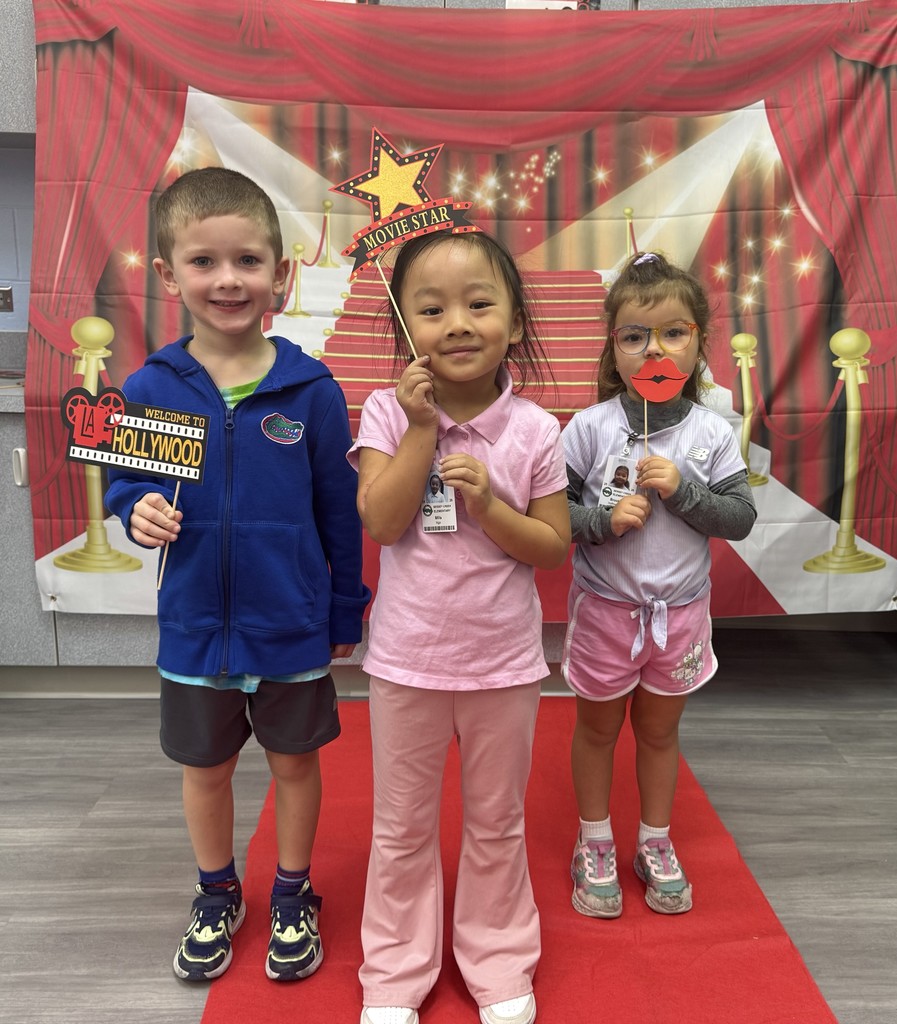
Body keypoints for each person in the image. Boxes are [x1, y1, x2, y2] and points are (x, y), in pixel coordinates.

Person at [105, 167, 370, 983]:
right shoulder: (151, 386)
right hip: (193, 626)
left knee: (295, 764)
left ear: (281, 274)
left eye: (249, 260)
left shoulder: (312, 390)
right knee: (206, 770)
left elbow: (341, 515)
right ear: (167, 274)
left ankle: (293, 892)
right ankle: (217, 891)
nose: (228, 279)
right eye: (205, 261)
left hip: (288, 623)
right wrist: (135, 505)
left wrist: (342, 615)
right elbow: (127, 485)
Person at [349, 231, 570, 1024]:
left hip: (504, 666)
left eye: (480, 304)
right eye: (432, 309)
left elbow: (550, 548)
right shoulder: (384, 410)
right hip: (406, 662)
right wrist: (420, 429)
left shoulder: (538, 431)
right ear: (405, 328)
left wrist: (488, 506)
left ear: (514, 322)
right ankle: (395, 975)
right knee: (401, 829)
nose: (458, 323)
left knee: (496, 826)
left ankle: (499, 960)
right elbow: (381, 521)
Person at [561, 251, 756, 920]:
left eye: (672, 333)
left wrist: (685, 491)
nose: (653, 350)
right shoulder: (589, 429)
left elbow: (740, 519)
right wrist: (601, 520)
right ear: (612, 347)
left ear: (699, 341)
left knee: (658, 733)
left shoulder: (711, 433)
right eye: (634, 336)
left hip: (679, 617)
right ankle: (593, 840)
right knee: (595, 729)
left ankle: (654, 840)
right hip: (605, 614)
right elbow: (549, 517)